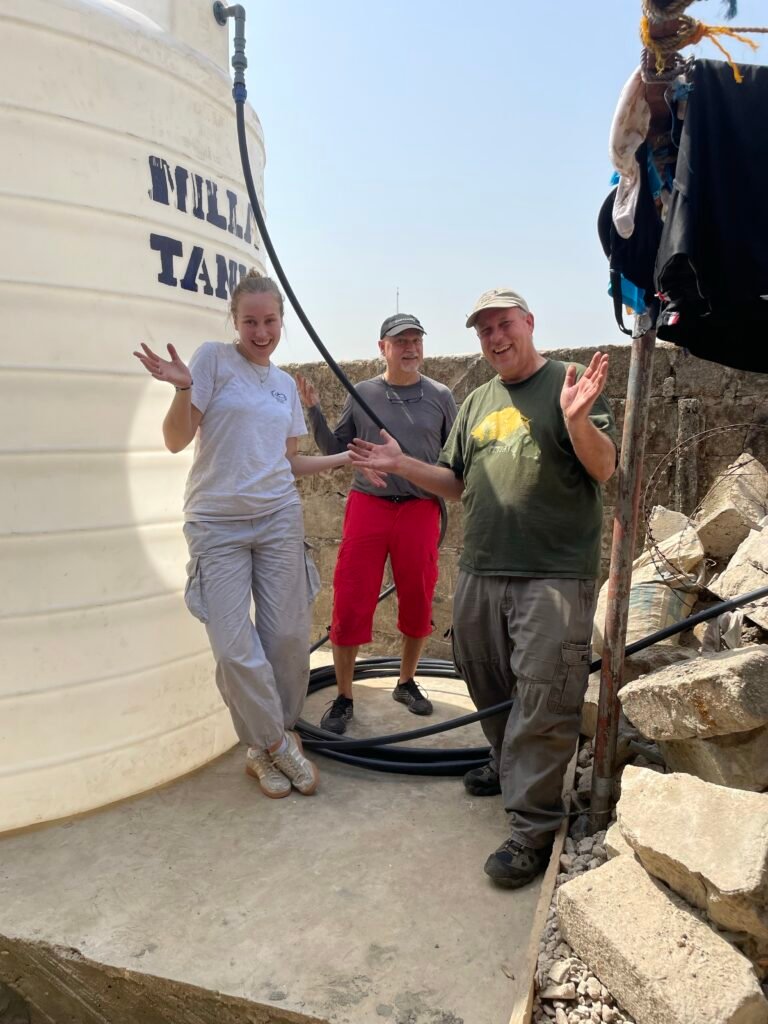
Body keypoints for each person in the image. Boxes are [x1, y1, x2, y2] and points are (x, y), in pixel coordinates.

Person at [348, 289, 617, 888]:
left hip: (552, 572)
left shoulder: (568, 382)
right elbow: (456, 482)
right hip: (481, 568)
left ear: (529, 323)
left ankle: (533, 828)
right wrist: (401, 463)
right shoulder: (475, 401)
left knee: (544, 696)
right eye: (484, 330)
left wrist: (577, 421)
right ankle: (504, 761)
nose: (495, 338)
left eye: (504, 324)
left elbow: (604, 468)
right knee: (486, 680)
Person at [133, 271, 352, 800]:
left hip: (278, 518)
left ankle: (264, 748)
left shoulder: (283, 385)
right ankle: (275, 743)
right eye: (250, 321)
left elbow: (288, 462)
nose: (261, 332)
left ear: (282, 321)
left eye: (270, 321)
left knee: (287, 642)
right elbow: (175, 440)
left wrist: (345, 458)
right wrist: (183, 388)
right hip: (217, 523)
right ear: (234, 320)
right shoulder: (212, 360)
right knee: (234, 649)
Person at [296, 313, 458, 735]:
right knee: (350, 598)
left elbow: (455, 456)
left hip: (420, 508)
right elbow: (335, 447)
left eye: (416, 340)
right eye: (400, 341)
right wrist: (313, 411)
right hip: (369, 505)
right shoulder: (363, 392)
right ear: (382, 347)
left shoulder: (441, 396)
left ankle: (406, 682)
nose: (410, 348)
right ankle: (344, 695)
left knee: (418, 598)